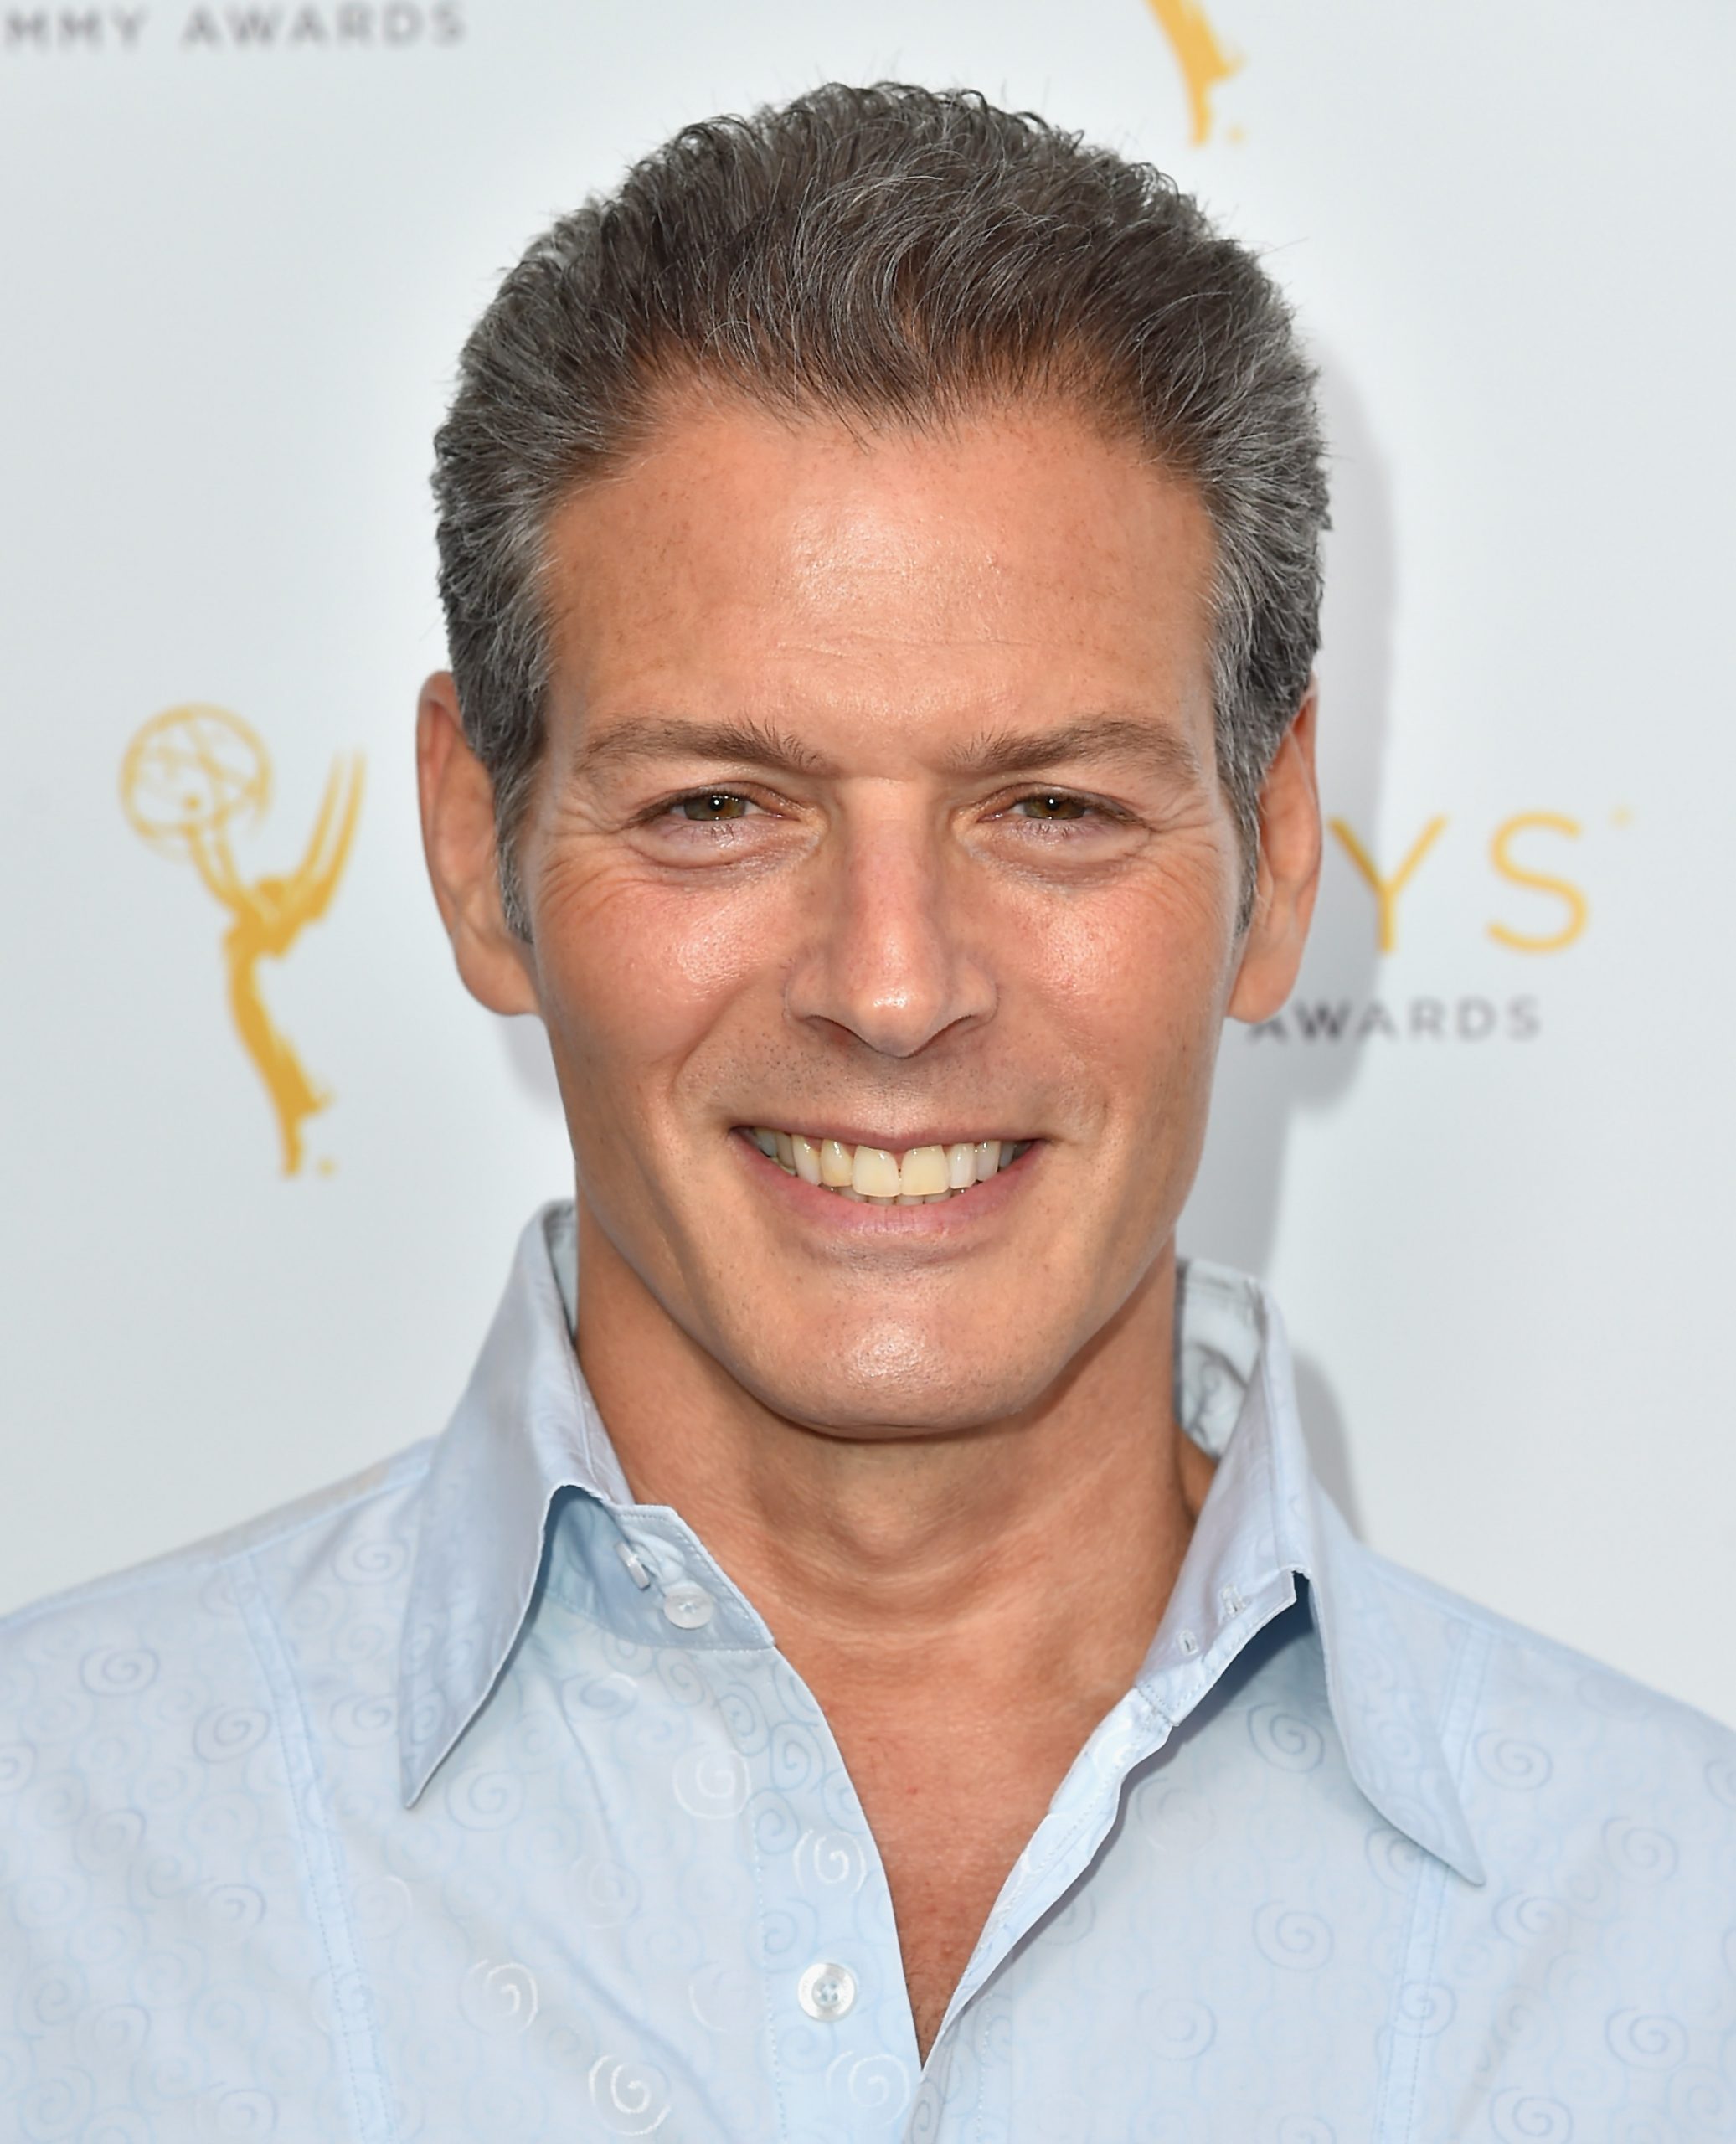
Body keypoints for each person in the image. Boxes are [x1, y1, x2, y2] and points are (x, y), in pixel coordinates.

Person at [3, 82, 1731, 2142]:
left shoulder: (1671, 1933)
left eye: (1052, 807)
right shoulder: (52, 1862)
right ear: (477, 848)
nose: (893, 986)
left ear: (1274, 861)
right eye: (717, 805)